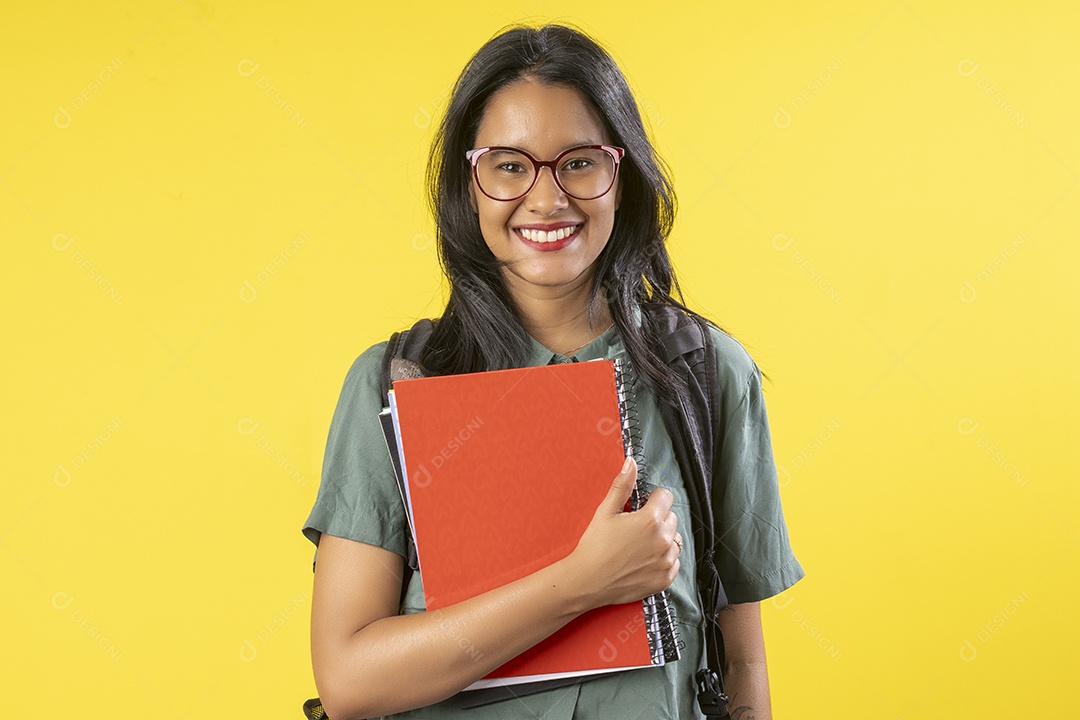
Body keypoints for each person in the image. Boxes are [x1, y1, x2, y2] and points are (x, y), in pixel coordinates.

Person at [302, 22, 804, 720]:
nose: (546, 198)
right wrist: (579, 583)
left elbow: (741, 659)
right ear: (467, 185)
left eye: (579, 162)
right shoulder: (393, 386)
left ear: (620, 177)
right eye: (509, 165)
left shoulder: (707, 375)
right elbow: (351, 682)